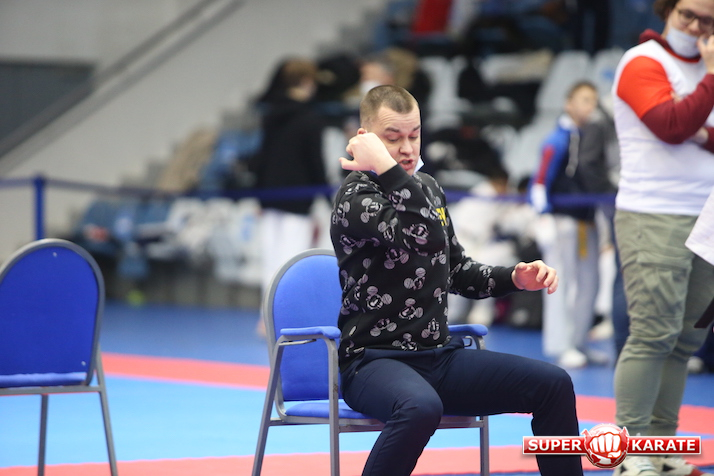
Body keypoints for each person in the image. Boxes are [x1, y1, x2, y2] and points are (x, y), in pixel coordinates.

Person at [329, 85, 583, 476]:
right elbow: (424, 235)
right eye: (392, 139)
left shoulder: (427, 188)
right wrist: (383, 165)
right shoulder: (355, 197)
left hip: (437, 357)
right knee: (419, 407)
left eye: (414, 135)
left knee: (554, 384)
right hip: (372, 363)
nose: (407, 149)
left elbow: (456, 270)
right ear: (366, 140)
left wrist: (514, 278)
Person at [610, 0, 714, 474]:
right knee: (653, 335)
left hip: (706, 217)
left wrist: (700, 128)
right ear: (667, 10)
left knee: (685, 342)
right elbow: (673, 126)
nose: (695, 26)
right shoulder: (643, 62)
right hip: (653, 213)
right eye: (687, 14)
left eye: (707, 20)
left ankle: (660, 447)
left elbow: (691, 124)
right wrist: (709, 82)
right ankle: (629, 451)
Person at [529, 81, 607, 369]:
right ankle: (561, 346)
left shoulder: (589, 137)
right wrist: (544, 216)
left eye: (594, 101)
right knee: (559, 285)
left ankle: (579, 342)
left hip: (587, 221)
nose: (590, 106)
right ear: (568, 104)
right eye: (584, 100)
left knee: (589, 284)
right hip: (562, 221)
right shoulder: (558, 140)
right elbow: (539, 182)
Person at [253, 57, 331, 331]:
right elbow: (315, 162)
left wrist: (259, 195)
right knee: (290, 260)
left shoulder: (270, 114)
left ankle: (266, 318)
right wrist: (327, 196)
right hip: (297, 200)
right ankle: (281, 319)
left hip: (270, 195)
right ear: (307, 82)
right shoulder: (311, 119)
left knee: (270, 260)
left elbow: (262, 158)